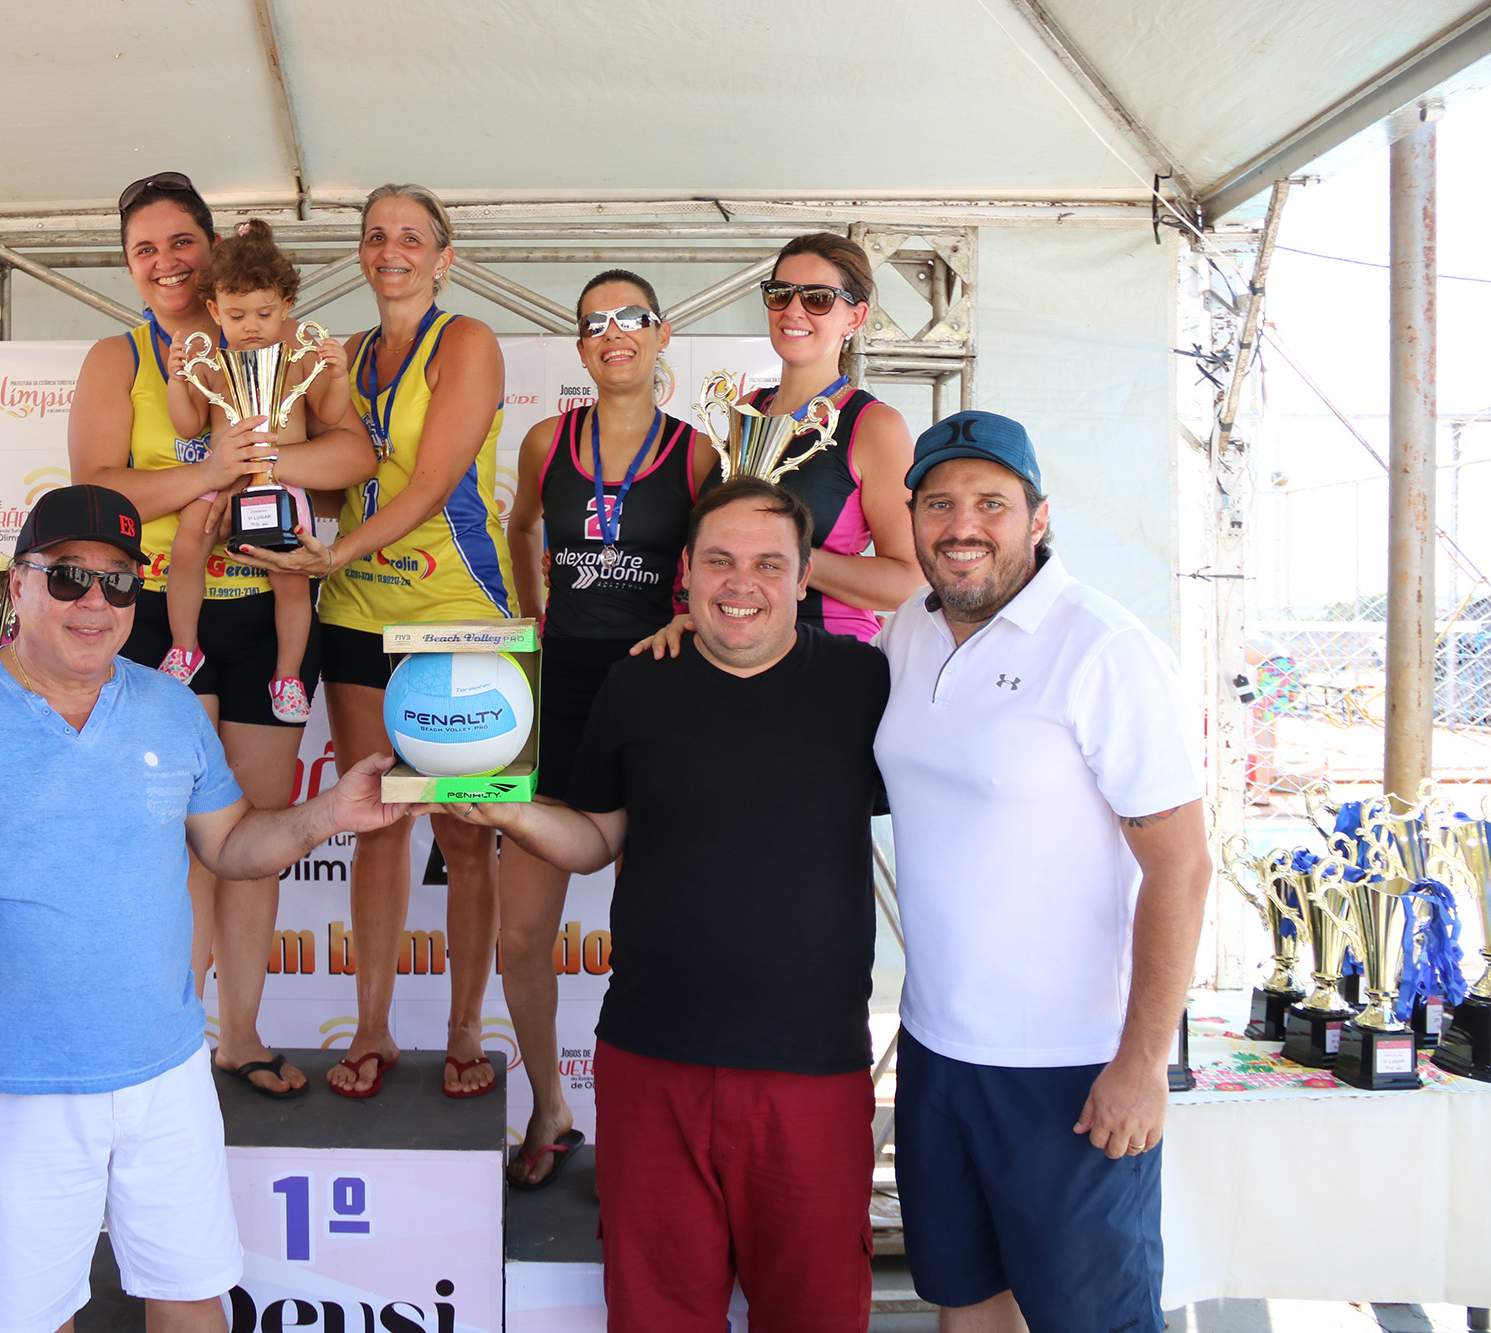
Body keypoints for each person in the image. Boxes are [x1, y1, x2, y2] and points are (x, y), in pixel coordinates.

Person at [0, 485, 410, 1333]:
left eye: (119, 582)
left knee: (194, 1298)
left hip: (167, 1070)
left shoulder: (169, 705)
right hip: (13, 1089)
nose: (96, 601)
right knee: (35, 1318)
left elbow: (229, 846)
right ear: (19, 582)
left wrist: (332, 810)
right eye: (70, 576)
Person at [440, 479, 888, 1331]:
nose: (740, 582)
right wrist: (508, 811)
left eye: (768, 563)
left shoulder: (867, 684)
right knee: (655, 1313)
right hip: (652, 1064)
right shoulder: (637, 683)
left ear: (804, 580)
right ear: (683, 572)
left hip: (813, 1072)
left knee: (817, 1312)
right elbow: (596, 840)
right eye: (719, 560)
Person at [872, 411, 1210, 1333]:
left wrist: (1142, 1063)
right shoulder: (908, 631)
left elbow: (1181, 868)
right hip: (938, 1054)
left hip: (1072, 1069)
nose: (961, 524)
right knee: (965, 1299)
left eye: (991, 502)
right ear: (911, 520)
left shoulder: (1105, 648)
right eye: (938, 502)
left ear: (1039, 516)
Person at [68, 172, 378, 1101]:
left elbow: (356, 455)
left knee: (255, 835)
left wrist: (269, 461)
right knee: (174, 843)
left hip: (273, 604)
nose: (165, 263)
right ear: (130, 268)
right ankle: (171, 1044)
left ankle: (239, 1037)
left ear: (214, 253)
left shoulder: (291, 347)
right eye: (144, 251)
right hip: (162, 611)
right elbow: (95, 490)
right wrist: (212, 474)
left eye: (179, 244)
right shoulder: (120, 358)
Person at [234, 184, 516, 1101]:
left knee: (467, 836)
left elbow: (433, 483)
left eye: (410, 237)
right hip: (355, 610)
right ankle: (372, 1027)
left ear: (443, 257)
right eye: (374, 236)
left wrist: (332, 552)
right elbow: (325, 471)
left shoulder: (465, 340)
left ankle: (467, 1029)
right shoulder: (339, 354)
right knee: (378, 822)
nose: (389, 249)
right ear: (360, 254)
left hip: (454, 613)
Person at [499, 269, 713, 1187]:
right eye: (595, 322)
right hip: (563, 697)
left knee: (653, 935)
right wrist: (529, 617)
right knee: (521, 933)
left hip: (660, 696)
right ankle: (550, 1103)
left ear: (662, 335)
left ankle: (648, 1131)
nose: (612, 333)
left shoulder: (699, 454)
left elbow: (720, 559)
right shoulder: (547, 440)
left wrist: (688, 619)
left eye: (631, 319)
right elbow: (517, 530)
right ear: (581, 344)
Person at [163, 218, 352, 724]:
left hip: (284, 488)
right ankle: (185, 647)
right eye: (236, 313)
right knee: (187, 547)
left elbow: (331, 418)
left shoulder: (298, 361)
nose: (250, 325)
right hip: (222, 481)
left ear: (287, 307)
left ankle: (287, 675)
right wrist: (177, 379)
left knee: (291, 579)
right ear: (213, 310)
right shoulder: (209, 365)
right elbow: (186, 426)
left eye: (265, 313)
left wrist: (338, 376)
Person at [738, 232, 919, 640]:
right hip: (728, 644)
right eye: (780, 293)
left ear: (854, 318)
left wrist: (790, 559)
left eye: (817, 298)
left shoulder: (874, 426)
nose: (794, 311)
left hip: (825, 653)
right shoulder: (744, 410)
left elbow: (910, 581)